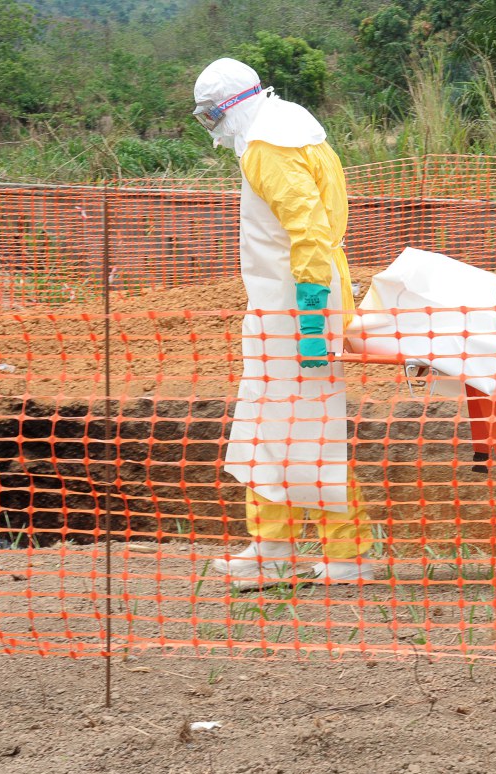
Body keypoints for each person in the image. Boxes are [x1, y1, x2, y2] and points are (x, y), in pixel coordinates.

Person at [192, 57, 376, 587]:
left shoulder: (269, 149)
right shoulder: (292, 130)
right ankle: (271, 549)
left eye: (209, 115)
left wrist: (314, 316)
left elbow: (310, 232)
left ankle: (347, 554)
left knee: (307, 435)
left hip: (296, 310)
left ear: (228, 107)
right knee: (270, 431)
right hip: (285, 305)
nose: (213, 127)